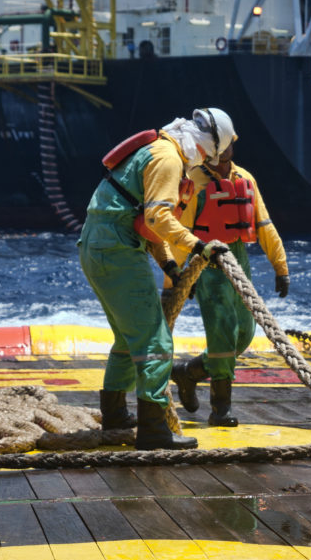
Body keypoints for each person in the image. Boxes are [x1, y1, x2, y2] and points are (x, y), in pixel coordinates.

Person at [78, 109, 232, 450]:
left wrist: (170, 267)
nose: (205, 162)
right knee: (155, 342)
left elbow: (145, 221)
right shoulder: (169, 159)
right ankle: (154, 429)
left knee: (126, 338)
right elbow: (158, 217)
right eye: (210, 156)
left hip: (97, 246)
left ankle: (116, 413)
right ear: (208, 146)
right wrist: (199, 247)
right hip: (117, 250)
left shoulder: (161, 149)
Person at [151, 108, 289, 427]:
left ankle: (189, 373)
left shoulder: (246, 180)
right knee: (222, 331)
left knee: (245, 333)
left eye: (225, 145)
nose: (221, 151)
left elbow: (264, 224)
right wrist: (176, 279)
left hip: (237, 260)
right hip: (207, 262)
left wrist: (280, 267)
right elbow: (178, 233)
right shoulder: (193, 182)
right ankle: (221, 407)